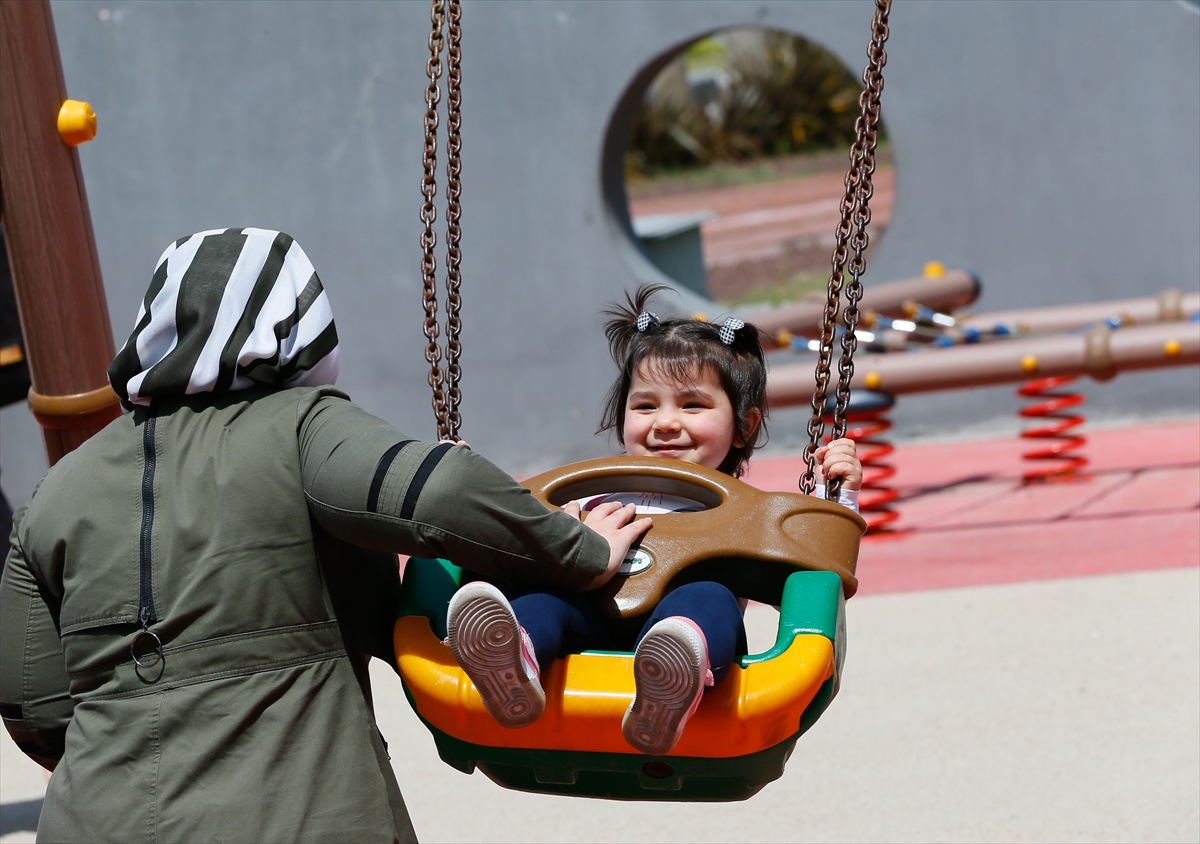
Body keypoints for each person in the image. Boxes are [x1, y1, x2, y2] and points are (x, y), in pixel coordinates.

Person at [0, 228, 649, 844]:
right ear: (302, 327)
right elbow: (444, 491)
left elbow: (34, 705)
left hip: (93, 819)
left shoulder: (58, 490)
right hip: (299, 811)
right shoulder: (300, 426)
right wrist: (580, 550)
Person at [445, 284, 862, 756]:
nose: (664, 422)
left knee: (707, 597)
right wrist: (462, 487)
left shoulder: (746, 510)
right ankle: (511, 661)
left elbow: (819, 562)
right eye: (645, 406)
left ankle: (674, 674)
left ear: (744, 427)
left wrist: (838, 494)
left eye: (692, 405)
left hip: (679, 642)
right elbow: (501, 542)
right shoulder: (581, 495)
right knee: (541, 597)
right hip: (583, 633)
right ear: (621, 417)